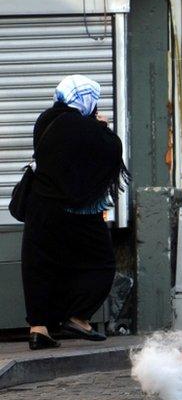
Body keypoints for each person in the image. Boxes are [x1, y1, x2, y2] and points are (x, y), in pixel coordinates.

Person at [22, 75, 130, 350]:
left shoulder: (46, 120)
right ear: (86, 99)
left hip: (40, 207)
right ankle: (78, 317)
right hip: (77, 212)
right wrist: (104, 128)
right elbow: (111, 152)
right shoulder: (87, 129)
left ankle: (39, 329)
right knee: (101, 264)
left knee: (40, 267)